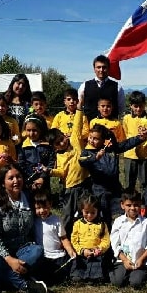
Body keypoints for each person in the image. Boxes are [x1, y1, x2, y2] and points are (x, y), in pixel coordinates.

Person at [0, 164, 48, 293]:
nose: (16, 181)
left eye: (18, 176)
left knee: (37, 251)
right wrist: (9, 259)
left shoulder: (29, 198)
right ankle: (24, 284)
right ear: (3, 183)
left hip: (21, 250)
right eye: (11, 178)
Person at [79, 123, 147, 229]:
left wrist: (140, 138)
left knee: (120, 214)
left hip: (115, 188)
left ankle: (121, 234)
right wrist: (95, 158)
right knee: (103, 215)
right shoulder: (87, 152)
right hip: (100, 190)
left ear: (104, 140)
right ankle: (105, 237)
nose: (92, 140)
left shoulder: (111, 149)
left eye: (96, 139)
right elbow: (82, 162)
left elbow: (126, 144)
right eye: (90, 137)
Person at [46, 98, 90, 237]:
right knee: (67, 214)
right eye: (58, 143)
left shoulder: (75, 141)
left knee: (86, 209)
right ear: (54, 147)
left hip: (85, 183)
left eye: (62, 138)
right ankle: (64, 237)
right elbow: (61, 173)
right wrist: (50, 171)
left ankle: (85, 234)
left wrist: (79, 108)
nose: (62, 142)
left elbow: (77, 125)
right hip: (69, 188)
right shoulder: (59, 156)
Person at [109, 190, 147, 288]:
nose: (132, 208)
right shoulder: (118, 222)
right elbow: (115, 244)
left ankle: (141, 275)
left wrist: (141, 259)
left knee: (136, 283)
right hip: (123, 260)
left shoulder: (146, 223)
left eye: (136, 205)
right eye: (128, 205)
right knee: (118, 282)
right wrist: (125, 260)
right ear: (122, 205)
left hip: (141, 262)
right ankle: (122, 273)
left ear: (140, 205)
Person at [33, 190, 77, 285]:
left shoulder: (56, 220)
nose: (42, 211)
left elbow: (63, 238)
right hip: (44, 256)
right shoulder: (34, 221)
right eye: (38, 208)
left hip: (58, 256)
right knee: (42, 271)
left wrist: (70, 250)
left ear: (50, 204)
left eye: (45, 207)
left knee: (65, 269)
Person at [70, 193, 111, 283]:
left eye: (93, 212)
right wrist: (82, 251)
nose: (89, 215)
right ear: (82, 210)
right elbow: (74, 240)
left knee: (96, 276)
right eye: (86, 212)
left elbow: (106, 240)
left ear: (97, 211)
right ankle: (80, 275)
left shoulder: (102, 225)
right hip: (81, 254)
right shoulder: (78, 224)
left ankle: (93, 277)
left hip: (95, 254)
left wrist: (99, 249)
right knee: (76, 277)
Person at [122, 91, 147, 192]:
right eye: (135, 106)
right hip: (130, 154)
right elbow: (124, 135)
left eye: (141, 106)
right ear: (131, 106)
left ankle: (143, 206)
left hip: (145, 155)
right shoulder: (126, 119)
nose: (138, 109)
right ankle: (129, 205)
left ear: (144, 105)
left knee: (144, 182)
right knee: (129, 182)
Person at [78, 55, 125, 121]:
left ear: (108, 68)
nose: (101, 70)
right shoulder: (84, 86)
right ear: (94, 69)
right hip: (89, 128)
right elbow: (79, 105)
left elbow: (121, 108)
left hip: (110, 128)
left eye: (104, 67)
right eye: (98, 67)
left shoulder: (117, 87)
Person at [17, 113, 56, 191]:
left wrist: (42, 178)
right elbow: (21, 164)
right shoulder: (23, 147)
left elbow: (51, 163)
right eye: (28, 130)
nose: (31, 133)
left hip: (44, 182)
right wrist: (30, 178)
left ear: (41, 130)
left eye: (34, 130)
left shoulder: (47, 146)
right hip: (28, 182)